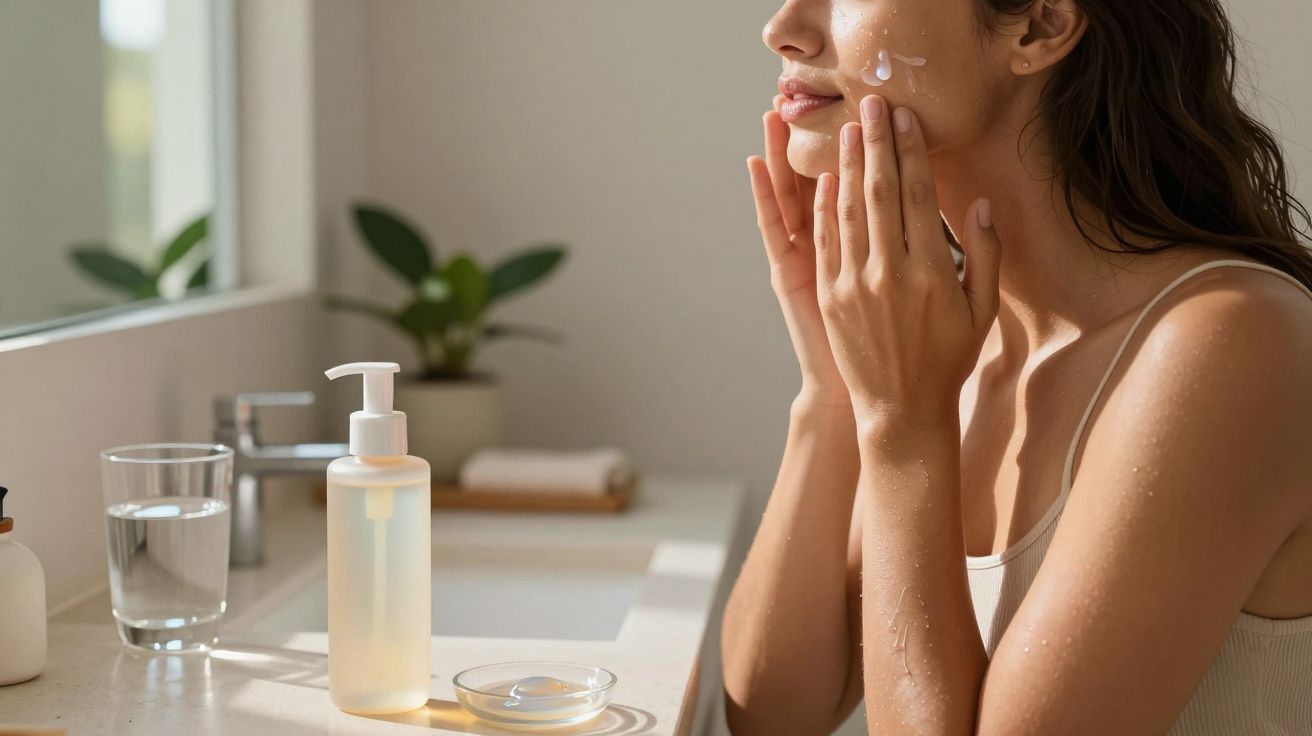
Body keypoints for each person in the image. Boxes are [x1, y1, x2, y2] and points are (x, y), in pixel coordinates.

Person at [720, 0, 1312, 733]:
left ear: (1039, 25)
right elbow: (776, 714)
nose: (783, 27)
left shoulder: (1227, 347)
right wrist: (835, 389)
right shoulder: (959, 338)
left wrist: (904, 428)